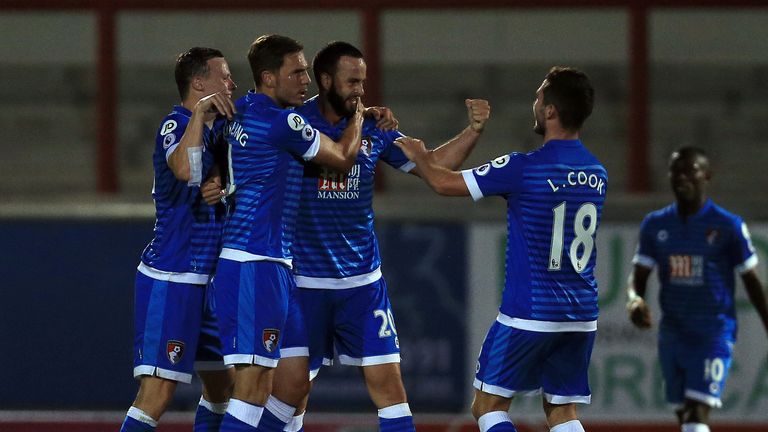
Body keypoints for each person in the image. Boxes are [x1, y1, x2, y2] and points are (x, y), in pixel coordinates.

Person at [269, 41, 491, 432]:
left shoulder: (374, 127)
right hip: (302, 285)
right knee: (290, 393)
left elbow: (434, 166)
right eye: (351, 81)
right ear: (325, 80)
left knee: (390, 389)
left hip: (362, 285)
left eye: (363, 82)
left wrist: (473, 131)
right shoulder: (294, 125)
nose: (359, 90)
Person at [395, 67, 604, 432]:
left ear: (551, 111)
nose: (535, 103)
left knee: (488, 406)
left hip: (530, 311)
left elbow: (445, 184)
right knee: (563, 413)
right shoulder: (597, 172)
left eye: (539, 96)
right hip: (581, 314)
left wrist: (420, 156)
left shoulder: (525, 167)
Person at [213, 34, 367, 432]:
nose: (306, 81)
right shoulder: (284, 122)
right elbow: (343, 158)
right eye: (296, 72)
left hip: (266, 263)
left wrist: (212, 177)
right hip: (254, 262)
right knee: (251, 389)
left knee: (291, 384)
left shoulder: (240, 109)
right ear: (268, 77)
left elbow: (219, 153)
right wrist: (359, 119)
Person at [120, 47, 237, 432]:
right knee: (158, 392)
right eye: (223, 76)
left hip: (211, 279)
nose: (231, 83)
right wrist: (201, 113)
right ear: (199, 83)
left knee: (223, 388)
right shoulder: (175, 123)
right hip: (173, 276)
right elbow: (186, 168)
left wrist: (220, 180)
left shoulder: (223, 128)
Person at [626, 146, 768, 432]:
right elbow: (639, 274)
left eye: (690, 171)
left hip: (713, 332)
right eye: (676, 171)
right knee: (684, 416)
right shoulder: (655, 225)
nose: (682, 178)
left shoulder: (728, 225)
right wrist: (634, 299)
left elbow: (752, 282)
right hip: (673, 334)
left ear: (707, 176)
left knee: (696, 411)